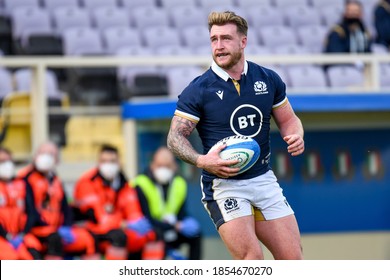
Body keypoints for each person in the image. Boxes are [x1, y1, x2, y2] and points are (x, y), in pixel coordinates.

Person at [167, 11, 304, 260]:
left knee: (293, 260)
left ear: (243, 42)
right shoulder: (198, 89)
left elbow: (289, 120)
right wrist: (201, 160)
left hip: (263, 180)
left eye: (226, 38)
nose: (218, 46)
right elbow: (175, 137)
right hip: (224, 185)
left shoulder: (268, 79)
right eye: (214, 39)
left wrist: (295, 134)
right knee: (252, 260)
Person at [73, 144, 157, 260]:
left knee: (151, 235)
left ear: (119, 162)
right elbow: (99, 218)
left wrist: (137, 221)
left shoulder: (124, 184)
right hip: (93, 229)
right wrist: (124, 224)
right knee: (119, 237)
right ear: (98, 162)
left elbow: (132, 211)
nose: (108, 165)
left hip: (119, 227)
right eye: (104, 161)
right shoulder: (87, 183)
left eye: (112, 161)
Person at [18, 142, 98, 259]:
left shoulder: (55, 179)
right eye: (43, 153)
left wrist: (67, 226)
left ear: (56, 160)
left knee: (90, 239)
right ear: (35, 156)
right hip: (36, 229)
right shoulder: (24, 179)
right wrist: (50, 228)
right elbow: (30, 212)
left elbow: (65, 207)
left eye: (51, 154)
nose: (46, 157)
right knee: (54, 240)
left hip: (57, 228)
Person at [133, 146, 202, 260]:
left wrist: (186, 221)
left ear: (174, 166)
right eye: (160, 165)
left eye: (167, 166)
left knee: (196, 233)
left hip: (171, 228)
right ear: (152, 165)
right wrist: (175, 226)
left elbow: (181, 212)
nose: (163, 169)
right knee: (155, 234)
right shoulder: (141, 183)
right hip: (151, 229)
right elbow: (145, 217)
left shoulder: (179, 183)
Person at [0, 147, 42, 259]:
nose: (6, 165)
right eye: (2, 162)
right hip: (2, 237)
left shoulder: (22, 183)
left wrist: (23, 234)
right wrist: (6, 236)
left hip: (21, 235)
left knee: (34, 252)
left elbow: (31, 212)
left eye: (9, 161)